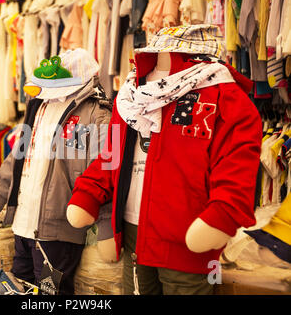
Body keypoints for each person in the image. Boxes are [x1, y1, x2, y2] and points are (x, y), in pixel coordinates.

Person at [67, 25, 263, 295]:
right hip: (133, 231)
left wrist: (223, 214)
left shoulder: (224, 95)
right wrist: (89, 190)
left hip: (189, 236)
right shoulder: (131, 94)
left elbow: (237, 162)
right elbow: (111, 155)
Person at [0, 49, 114, 294]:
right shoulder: (38, 107)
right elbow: (17, 159)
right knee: (19, 287)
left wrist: (107, 229)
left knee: (50, 294)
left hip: (58, 233)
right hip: (22, 225)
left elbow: (108, 174)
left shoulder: (98, 115)